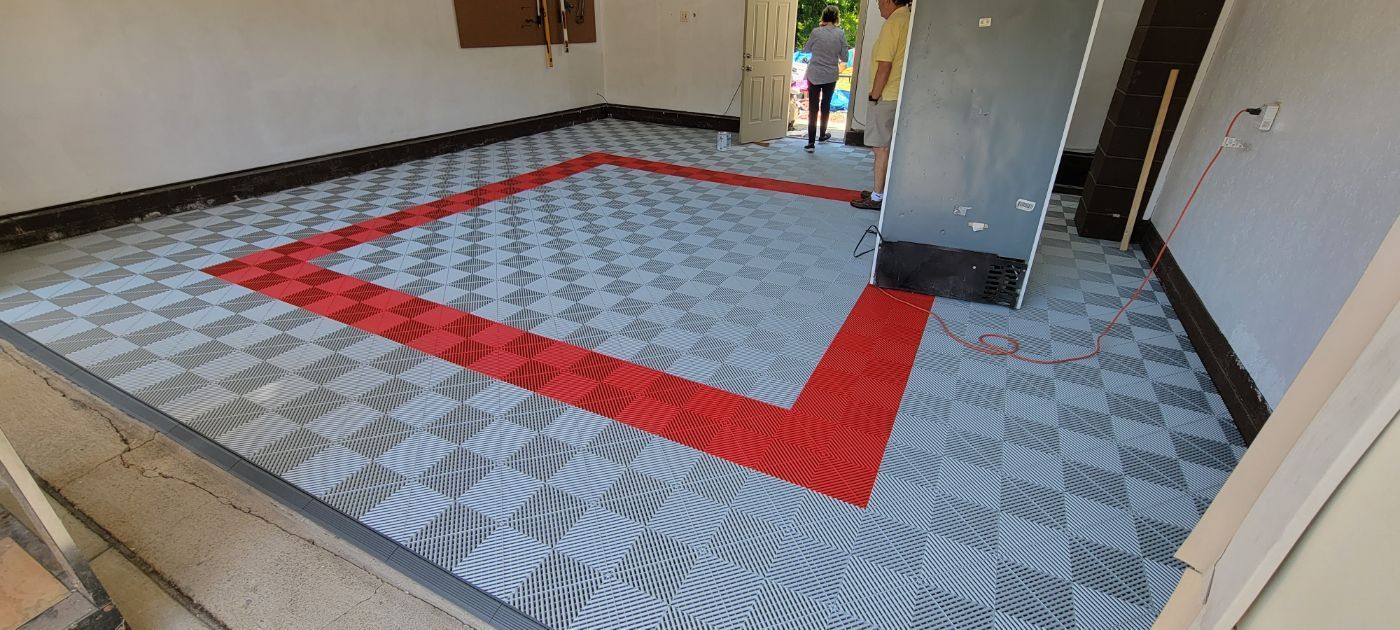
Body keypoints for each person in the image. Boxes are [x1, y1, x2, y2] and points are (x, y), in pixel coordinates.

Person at [850, 0, 911, 210]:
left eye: (879, 1)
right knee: (884, 147)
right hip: (895, 94)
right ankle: (880, 191)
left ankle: (877, 197)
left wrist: (874, 96)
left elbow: (884, 65)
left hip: (885, 96)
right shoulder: (906, 18)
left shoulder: (894, 23)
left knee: (880, 148)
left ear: (888, 0)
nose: (877, 6)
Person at [801, 5, 849, 153]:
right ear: (836, 18)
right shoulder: (840, 34)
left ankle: (810, 143)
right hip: (830, 75)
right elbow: (845, 57)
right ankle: (822, 135)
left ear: (824, 16)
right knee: (826, 105)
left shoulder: (816, 32)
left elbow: (806, 49)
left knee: (813, 107)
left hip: (814, 74)